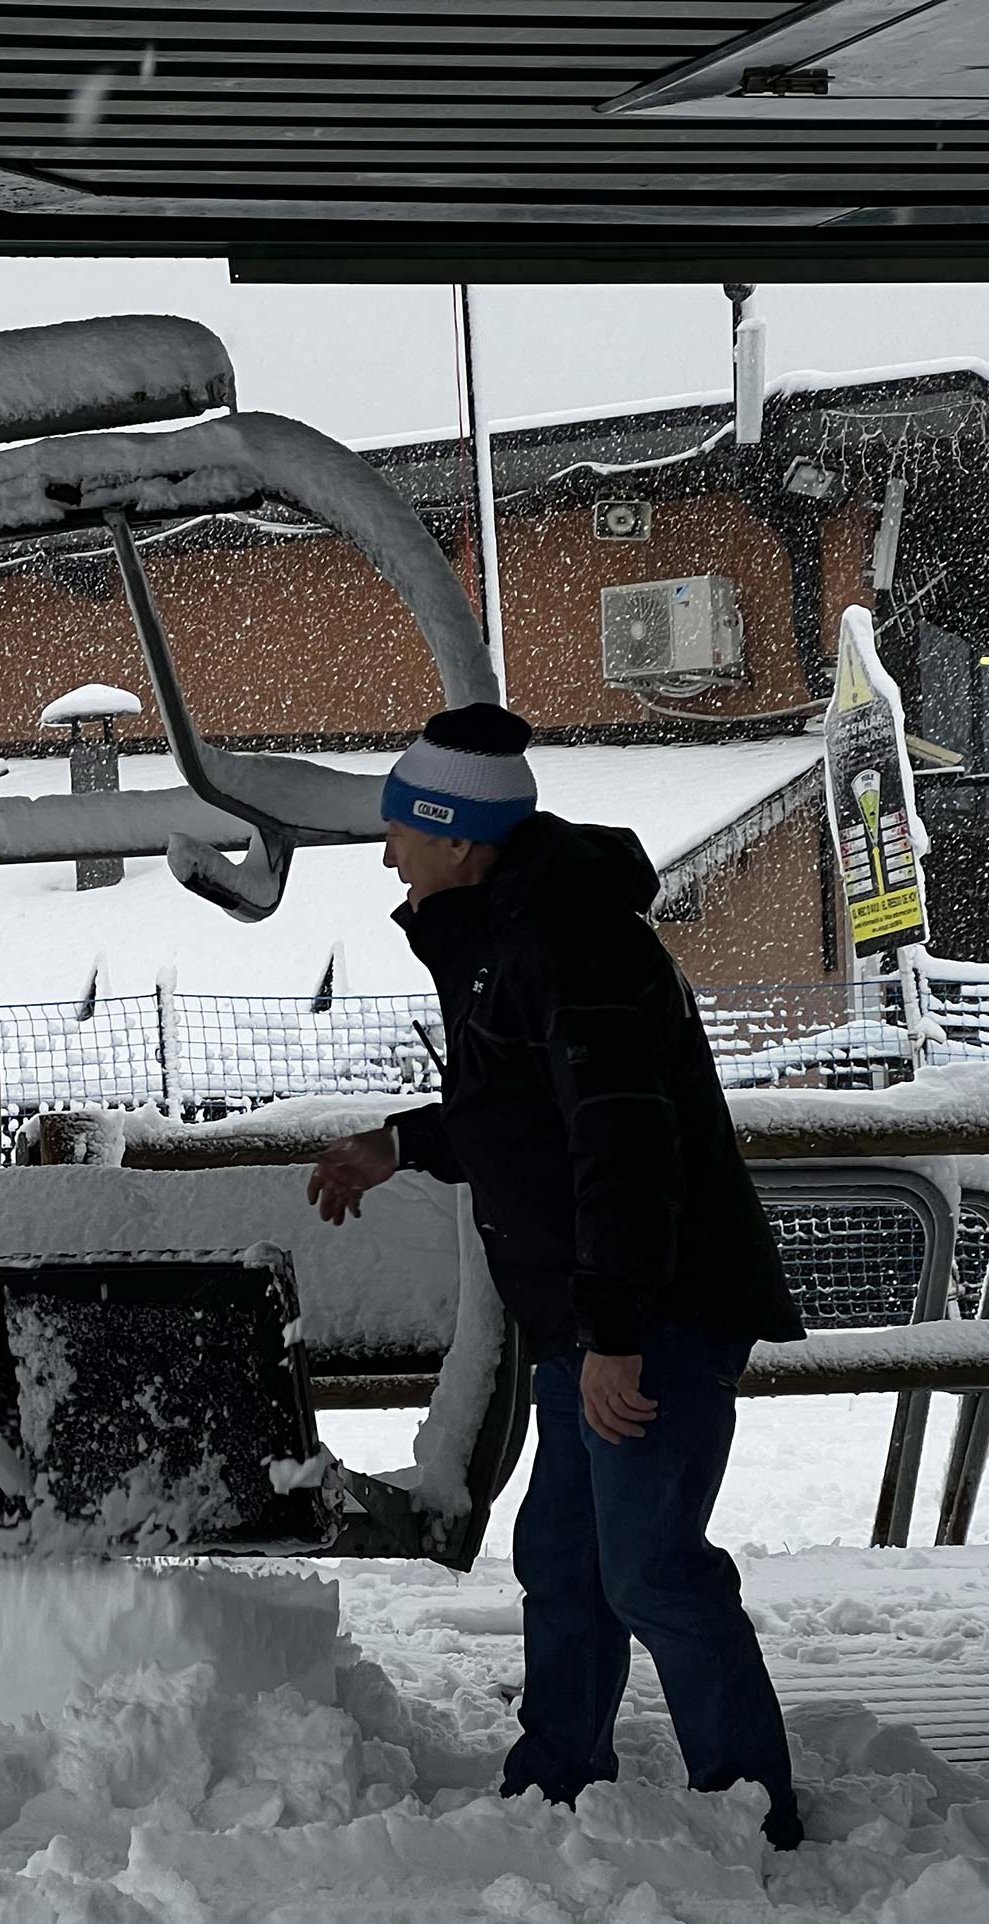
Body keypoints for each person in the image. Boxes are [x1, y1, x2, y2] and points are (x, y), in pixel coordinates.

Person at [306, 703, 809, 1849]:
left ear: (457, 837)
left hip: (651, 1307)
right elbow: (528, 1109)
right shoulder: (511, 930)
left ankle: (747, 1807)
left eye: (401, 831)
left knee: (647, 1566)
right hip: (596, 1308)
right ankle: (554, 1781)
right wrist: (400, 1143)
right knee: (567, 1560)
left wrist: (617, 1335)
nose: (387, 856)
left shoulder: (567, 941)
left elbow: (623, 1147)